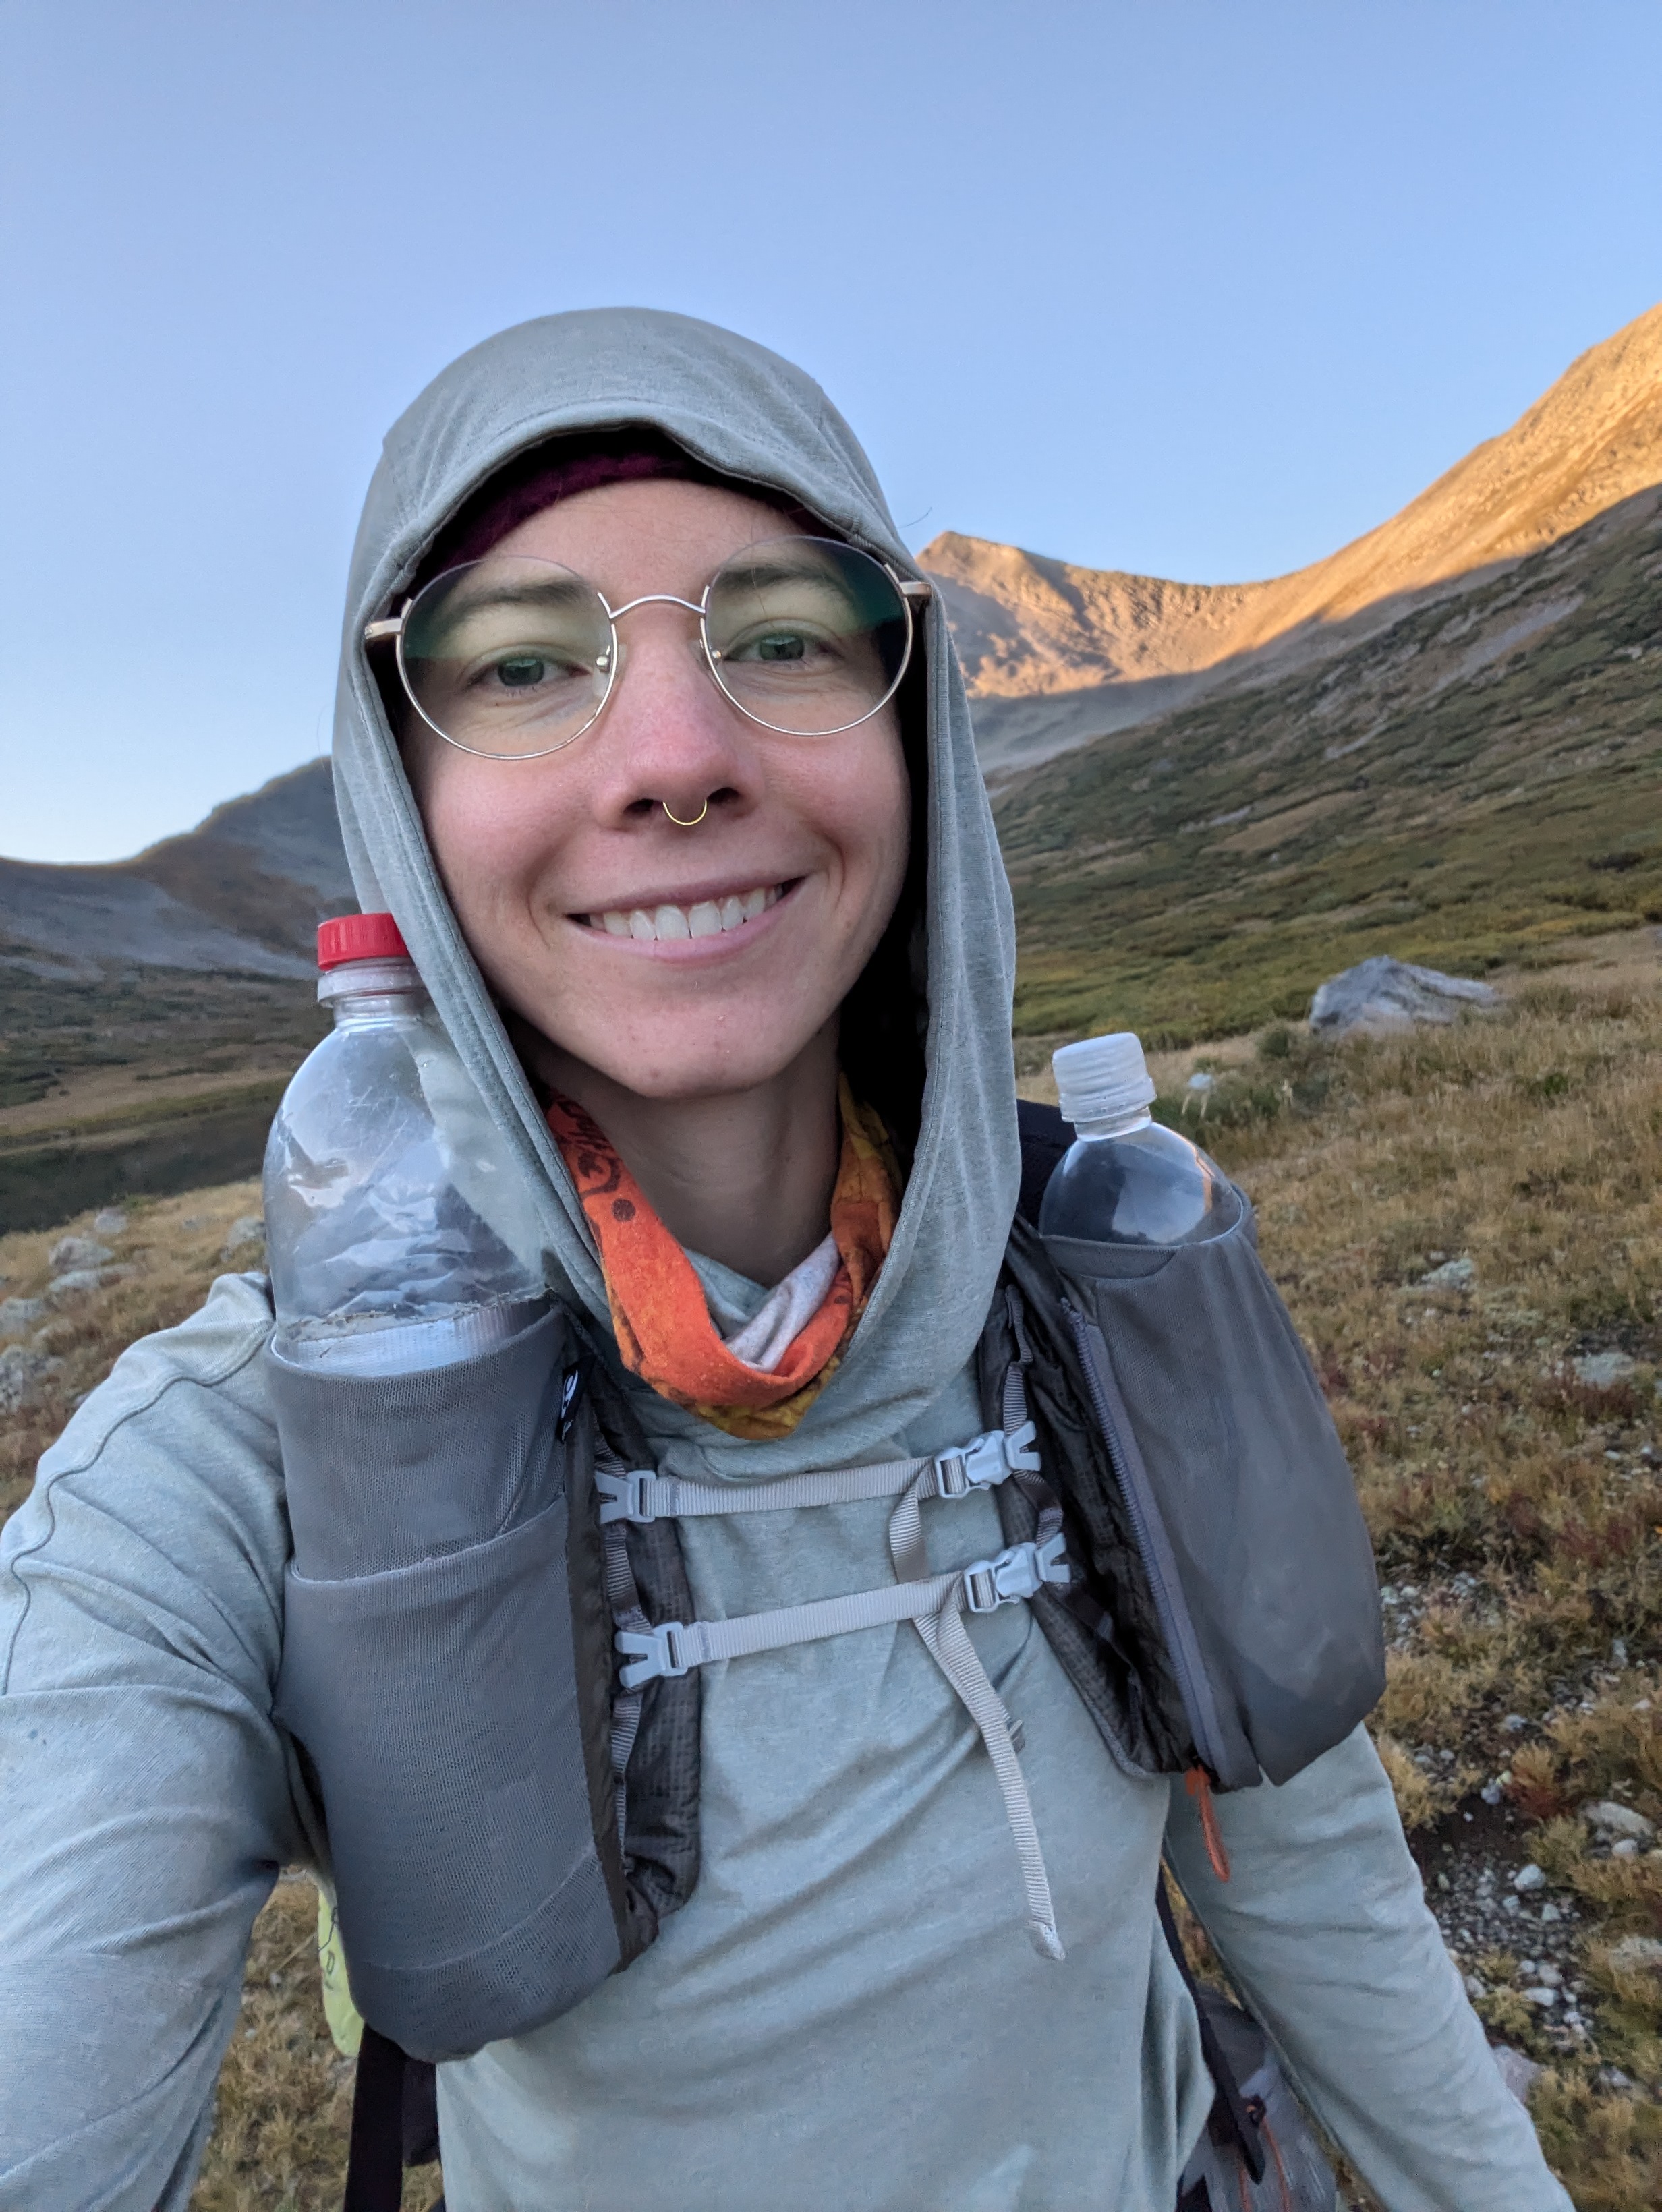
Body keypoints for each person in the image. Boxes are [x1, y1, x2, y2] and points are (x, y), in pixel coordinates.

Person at [0, 308, 1570, 2211]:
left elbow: (1310, 1867)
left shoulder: (1106, 1284)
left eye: (784, 640)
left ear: (917, 742)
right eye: (516, 666)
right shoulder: (247, 1469)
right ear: (398, 803)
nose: (674, 754)